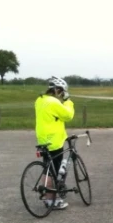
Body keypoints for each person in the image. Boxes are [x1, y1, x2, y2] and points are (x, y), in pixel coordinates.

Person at [35, 76, 75, 209]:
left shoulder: (40, 100)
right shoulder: (54, 102)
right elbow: (68, 115)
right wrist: (68, 101)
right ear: (57, 90)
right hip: (54, 140)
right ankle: (53, 201)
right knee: (54, 171)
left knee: (47, 169)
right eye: (62, 92)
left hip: (43, 138)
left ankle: (47, 199)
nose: (62, 95)